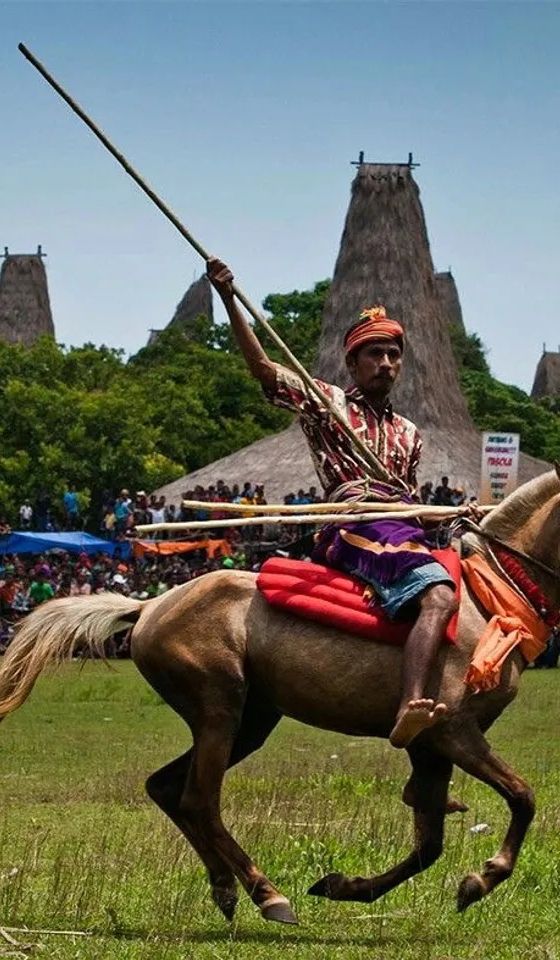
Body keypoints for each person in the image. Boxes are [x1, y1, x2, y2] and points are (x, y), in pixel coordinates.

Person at [208, 257, 459, 748]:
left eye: (393, 354)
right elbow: (264, 370)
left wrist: (450, 514)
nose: (386, 363)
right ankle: (409, 704)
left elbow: (409, 504)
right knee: (439, 594)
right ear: (352, 364)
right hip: (353, 522)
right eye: (374, 354)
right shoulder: (329, 405)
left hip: (399, 524)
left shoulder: (411, 433)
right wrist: (229, 299)